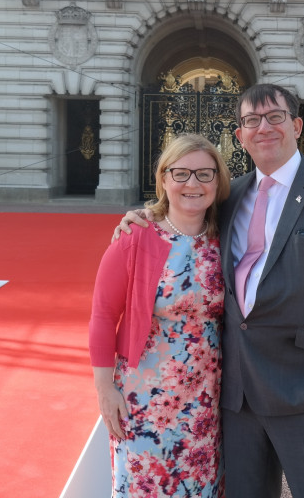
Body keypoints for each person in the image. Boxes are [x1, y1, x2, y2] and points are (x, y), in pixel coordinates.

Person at [117, 83, 304, 498]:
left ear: (296, 125)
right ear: (239, 135)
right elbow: (183, 205)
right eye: (251, 120)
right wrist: (144, 215)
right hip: (236, 396)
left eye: (274, 117)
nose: (263, 127)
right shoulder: (230, 195)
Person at [89, 133, 231, 497]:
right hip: (146, 396)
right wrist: (105, 390)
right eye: (181, 173)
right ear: (164, 179)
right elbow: (104, 316)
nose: (192, 184)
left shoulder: (227, 236)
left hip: (207, 398)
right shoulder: (136, 235)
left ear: (218, 181)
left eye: (204, 174)